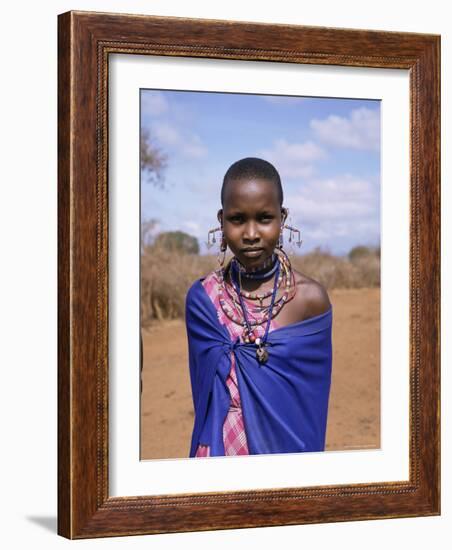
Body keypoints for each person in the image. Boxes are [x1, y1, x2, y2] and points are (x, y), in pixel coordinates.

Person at [185, 157, 332, 458]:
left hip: (286, 458)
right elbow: (203, 396)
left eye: (264, 218)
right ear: (221, 220)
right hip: (218, 449)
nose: (251, 234)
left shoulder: (309, 300)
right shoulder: (204, 299)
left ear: (283, 217)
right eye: (237, 219)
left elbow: (310, 406)